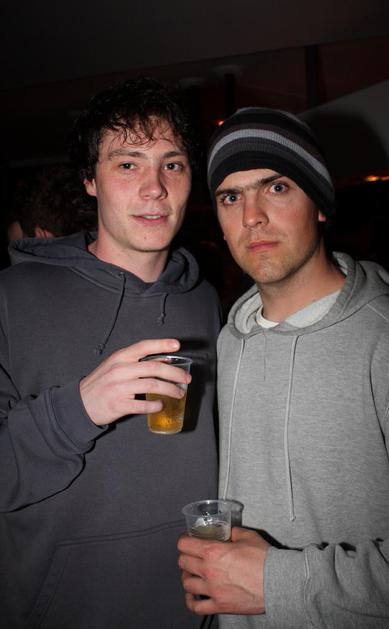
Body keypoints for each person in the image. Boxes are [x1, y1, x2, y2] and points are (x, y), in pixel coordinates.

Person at [178, 107, 389, 627]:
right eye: (231, 197)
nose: (252, 217)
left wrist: (275, 581)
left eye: (277, 187)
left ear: (321, 204)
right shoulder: (229, 342)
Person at [0, 77, 221, 629]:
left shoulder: (205, 300)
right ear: (90, 180)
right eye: (128, 164)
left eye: (172, 165)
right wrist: (77, 410)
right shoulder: (11, 300)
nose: (155, 188)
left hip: (191, 610)